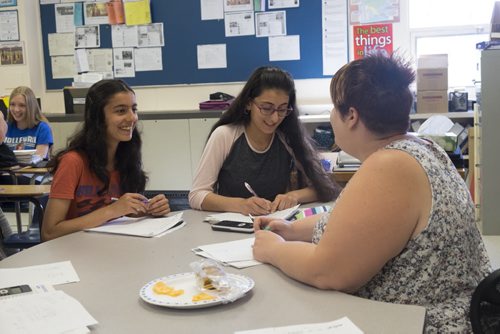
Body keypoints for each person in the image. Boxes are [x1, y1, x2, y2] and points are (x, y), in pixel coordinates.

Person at [252, 54, 491, 332]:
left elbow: (328, 272)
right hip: (454, 311)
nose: (331, 116)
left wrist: (274, 250)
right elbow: (358, 226)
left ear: (351, 116)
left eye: (334, 107)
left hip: (427, 323)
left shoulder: (390, 166)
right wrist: (289, 229)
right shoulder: (420, 147)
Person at [189, 66, 339, 215]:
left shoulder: (287, 136)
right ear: (248, 103)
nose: (274, 118)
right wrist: (240, 205)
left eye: (282, 109)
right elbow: (197, 195)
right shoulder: (225, 135)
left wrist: (293, 196)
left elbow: (324, 187)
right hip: (233, 226)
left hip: (274, 226)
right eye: (266, 108)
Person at [42, 79, 170, 241]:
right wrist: (112, 210)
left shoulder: (125, 157)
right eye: (121, 111)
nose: (132, 118)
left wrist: (148, 209)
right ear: (98, 117)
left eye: (134, 109)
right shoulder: (73, 162)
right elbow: (49, 233)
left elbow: (120, 214)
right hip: (75, 254)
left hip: (112, 248)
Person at [4, 86, 53, 159]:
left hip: (32, 170)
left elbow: (39, 159)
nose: (16, 109)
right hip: (8, 169)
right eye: (12, 104)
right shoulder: (5, 127)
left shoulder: (42, 128)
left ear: (31, 107)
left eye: (22, 105)